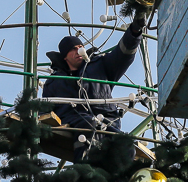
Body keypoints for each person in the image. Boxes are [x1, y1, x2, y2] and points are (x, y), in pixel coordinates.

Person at [42, 14, 146, 160]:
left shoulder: (100, 66)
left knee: (127, 145)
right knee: (87, 123)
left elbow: (122, 55)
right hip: (75, 121)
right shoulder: (54, 82)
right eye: (73, 49)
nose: (79, 50)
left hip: (107, 121)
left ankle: (118, 181)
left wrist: (134, 32)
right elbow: (44, 111)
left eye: (80, 47)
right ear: (65, 56)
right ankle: (83, 170)